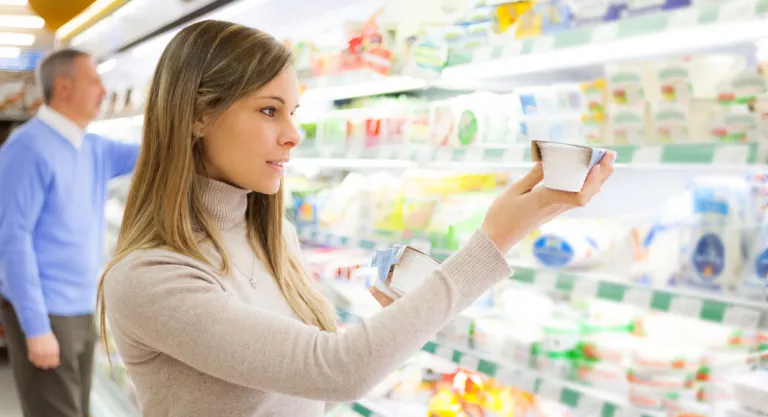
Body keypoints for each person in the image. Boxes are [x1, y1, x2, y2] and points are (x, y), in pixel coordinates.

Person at [99, 20, 614, 417]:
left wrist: (402, 317)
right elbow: (337, 369)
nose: (293, 135)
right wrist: (499, 235)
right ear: (195, 114)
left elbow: (311, 392)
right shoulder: (150, 278)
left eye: (294, 112)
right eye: (268, 110)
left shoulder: (274, 237)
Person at [0, 49, 140, 417]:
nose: (104, 90)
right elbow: (12, 241)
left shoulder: (91, 146)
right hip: (45, 312)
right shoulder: (26, 148)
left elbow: (152, 156)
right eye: (94, 80)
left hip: (80, 308)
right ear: (63, 87)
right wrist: (35, 328)